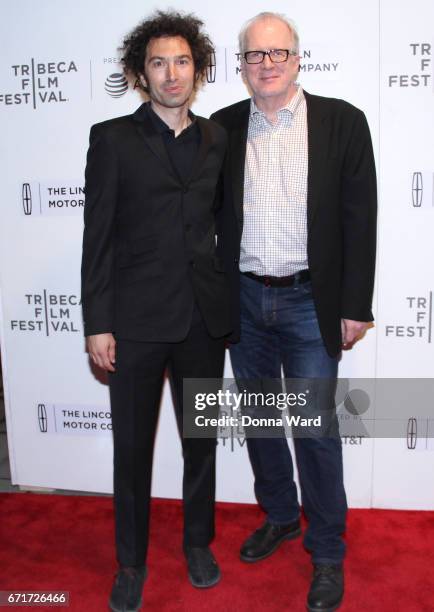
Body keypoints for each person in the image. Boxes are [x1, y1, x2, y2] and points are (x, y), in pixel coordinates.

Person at [212, 12, 377, 612]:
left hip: (313, 302)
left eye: (277, 52)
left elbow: (362, 219)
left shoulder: (342, 122)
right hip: (245, 299)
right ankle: (281, 516)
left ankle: (327, 551)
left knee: (314, 430)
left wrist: (355, 305)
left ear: (298, 57)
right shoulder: (222, 129)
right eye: (255, 56)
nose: (267, 63)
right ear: (242, 66)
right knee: (259, 422)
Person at [81, 11, 232, 612]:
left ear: (198, 69)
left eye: (183, 61)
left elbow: (224, 223)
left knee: (200, 441)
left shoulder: (218, 138)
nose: (172, 74)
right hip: (136, 323)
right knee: (132, 450)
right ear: (141, 74)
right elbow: (100, 238)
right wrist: (98, 321)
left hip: (201, 319)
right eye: (158, 63)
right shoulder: (112, 138)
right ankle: (131, 562)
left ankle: (198, 543)